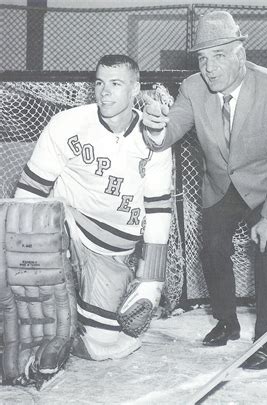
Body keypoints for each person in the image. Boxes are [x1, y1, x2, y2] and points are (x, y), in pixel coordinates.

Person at [141, 11, 267, 370]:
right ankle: (227, 321)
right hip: (221, 185)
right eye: (203, 58)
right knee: (212, 249)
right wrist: (153, 122)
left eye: (219, 56)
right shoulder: (193, 88)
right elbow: (168, 132)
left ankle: (265, 338)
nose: (209, 68)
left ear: (240, 55)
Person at [14, 54, 173, 361]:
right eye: (100, 83)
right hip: (67, 226)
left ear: (135, 89)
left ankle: (76, 314)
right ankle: (48, 308)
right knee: (30, 306)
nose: (105, 92)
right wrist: (22, 249)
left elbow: (157, 207)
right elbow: (30, 191)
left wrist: (152, 276)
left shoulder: (154, 136)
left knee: (99, 345)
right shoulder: (67, 124)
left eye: (116, 84)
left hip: (113, 249)